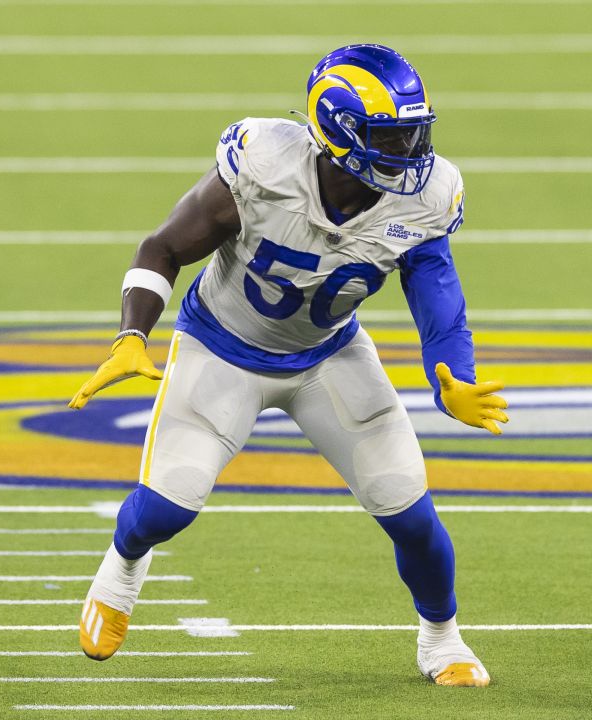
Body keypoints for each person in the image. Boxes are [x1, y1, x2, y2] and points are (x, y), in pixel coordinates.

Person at [68, 43, 508, 687]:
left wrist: (454, 376)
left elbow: (439, 298)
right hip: (221, 347)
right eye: (394, 136)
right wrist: (131, 335)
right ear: (338, 132)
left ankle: (442, 637)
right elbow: (164, 246)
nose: (414, 152)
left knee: (409, 511)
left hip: (328, 355)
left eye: (418, 132)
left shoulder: (424, 197)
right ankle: (122, 565)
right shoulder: (265, 163)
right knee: (169, 506)